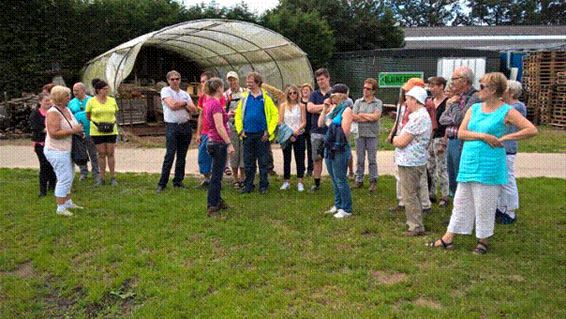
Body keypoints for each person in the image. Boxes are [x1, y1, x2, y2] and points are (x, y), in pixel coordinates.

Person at [428, 72, 537, 254]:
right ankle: (449, 238)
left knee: (485, 203)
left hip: (490, 164)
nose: (479, 89)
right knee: (461, 201)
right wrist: (483, 136)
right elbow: (461, 133)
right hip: (469, 161)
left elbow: (531, 129)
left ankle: (483, 241)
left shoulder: (506, 111)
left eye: (483, 86)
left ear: (493, 90)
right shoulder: (475, 109)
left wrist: (506, 137)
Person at [392, 86, 432, 236]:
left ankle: (415, 225)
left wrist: (395, 139)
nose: (406, 102)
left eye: (408, 99)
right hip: (411, 160)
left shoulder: (419, 117)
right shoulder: (418, 115)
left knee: (410, 194)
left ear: (415, 100)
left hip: (411, 162)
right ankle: (414, 221)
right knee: (411, 193)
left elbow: (401, 141)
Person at [439, 66, 481, 197]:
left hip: (462, 141)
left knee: (460, 175)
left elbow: (460, 120)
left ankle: (465, 209)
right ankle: (457, 210)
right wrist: (454, 108)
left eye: (454, 79)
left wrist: (454, 104)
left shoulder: (474, 97)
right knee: (452, 176)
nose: (451, 82)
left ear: (464, 80)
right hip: (452, 140)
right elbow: (442, 119)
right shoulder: (457, 97)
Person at [234, 71, 279, 194]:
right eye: (247, 81)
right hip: (247, 134)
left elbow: (274, 115)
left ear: (258, 82)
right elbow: (238, 115)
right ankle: (249, 185)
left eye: (250, 81)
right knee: (248, 161)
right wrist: (240, 130)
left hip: (262, 135)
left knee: (263, 161)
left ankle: (264, 185)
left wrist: (269, 132)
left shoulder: (266, 98)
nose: (248, 83)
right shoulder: (244, 97)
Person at [44, 85, 84, 216]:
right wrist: (73, 130)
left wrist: (78, 129)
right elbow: (53, 133)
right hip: (56, 150)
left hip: (67, 148)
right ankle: (60, 207)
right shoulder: (53, 112)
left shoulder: (66, 109)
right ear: (60, 98)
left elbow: (72, 124)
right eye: (67, 96)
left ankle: (68, 202)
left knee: (70, 175)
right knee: (64, 177)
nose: (69, 97)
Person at [156, 70, 197, 192]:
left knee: (182, 156)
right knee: (170, 155)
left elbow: (194, 109)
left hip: (185, 126)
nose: (175, 81)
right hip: (172, 126)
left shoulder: (184, 93)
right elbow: (172, 105)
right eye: (172, 79)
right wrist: (185, 104)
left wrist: (183, 104)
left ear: (180, 80)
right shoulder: (165, 91)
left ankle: (178, 181)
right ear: (168, 81)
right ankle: (162, 183)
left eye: (177, 79)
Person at [496, 80, 528, 224]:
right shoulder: (506, 106)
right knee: (499, 180)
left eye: (505, 89)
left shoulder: (517, 107)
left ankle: (510, 211)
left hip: (508, 148)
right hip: (500, 147)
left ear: (512, 92)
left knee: (508, 180)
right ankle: (501, 207)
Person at [319, 84, 354, 218]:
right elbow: (320, 123)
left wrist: (330, 123)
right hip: (330, 147)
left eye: (332, 95)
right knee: (333, 179)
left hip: (340, 148)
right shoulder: (333, 109)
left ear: (340, 95)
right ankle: (338, 205)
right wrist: (324, 109)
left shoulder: (347, 110)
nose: (331, 97)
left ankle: (346, 208)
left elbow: (344, 132)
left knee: (340, 179)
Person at [204, 77, 235, 216]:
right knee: (216, 176)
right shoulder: (216, 104)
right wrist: (228, 143)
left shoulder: (210, 102)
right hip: (218, 143)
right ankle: (212, 205)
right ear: (219, 88)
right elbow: (219, 126)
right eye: (223, 87)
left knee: (216, 174)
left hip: (212, 141)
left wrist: (227, 115)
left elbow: (218, 119)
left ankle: (217, 199)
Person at [195, 71, 226, 189]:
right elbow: (201, 116)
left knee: (216, 157)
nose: (202, 84)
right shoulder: (202, 98)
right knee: (203, 156)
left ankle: (216, 180)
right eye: (201, 82)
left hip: (214, 132)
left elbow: (221, 116)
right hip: (204, 132)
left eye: (204, 81)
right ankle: (206, 178)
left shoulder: (220, 98)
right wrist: (198, 133)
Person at [86, 79, 119, 186]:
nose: (107, 90)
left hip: (111, 130)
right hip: (97, 130)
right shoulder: (91, 101)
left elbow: (115, 112)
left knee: (110, 153)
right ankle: (101, 177)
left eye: (107, 88)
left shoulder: (112, 100)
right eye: (104, 89)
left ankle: (113, 177)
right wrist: (98, 122)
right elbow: (88, 115)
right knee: (101, 154)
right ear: (99, 90)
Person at [352, 78, 382, 192]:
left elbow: (376, 117)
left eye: (368, 89)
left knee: (372, 159)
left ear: (374, 91)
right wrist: (368, 117)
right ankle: (359, 180)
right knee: (360, 158)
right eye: (364, 88)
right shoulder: (358, 102)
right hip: (359, 134)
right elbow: (354, 116)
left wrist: (362, 115)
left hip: (372, 134)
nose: (365, 90)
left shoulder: (377, 102)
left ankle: (373, 180)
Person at [307, 68, 332, 192]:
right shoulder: (314, 94)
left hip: (331, 131)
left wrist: (319, 109)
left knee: (332, 157)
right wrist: (325, 107)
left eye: (322, 79)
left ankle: (336, 181)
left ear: (328, 78)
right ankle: (316, 183)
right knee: (316, 158)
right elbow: (310, 108)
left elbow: (335, 108)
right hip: (316, 131)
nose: (320, 82)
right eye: (318, 80)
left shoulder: (334, 94)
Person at [426, 77, 449, 207]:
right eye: (430, 86)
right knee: (430, 167)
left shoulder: (447, 102)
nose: (432, 88)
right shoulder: (430, 102)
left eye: (434, 86)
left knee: (442, 168)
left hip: (441, 137)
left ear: (441, 86)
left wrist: (444, 141)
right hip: (430, 137)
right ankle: (431, 192)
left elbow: (448, 123)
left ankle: (445, 195)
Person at [68, 82, 99, 181]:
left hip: (91, 131)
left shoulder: (92, 100)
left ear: (83, 90)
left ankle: (96, 172)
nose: (75, 92)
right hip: (78, 133)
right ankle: (83, 172)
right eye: (74, 90)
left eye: (77, 90)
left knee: (93, 153)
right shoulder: (71, 102)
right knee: (81, 153)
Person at [278, 85, 307, 192]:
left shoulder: (301, 106)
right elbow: (280, 121)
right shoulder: (283, 106)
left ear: (297, 94)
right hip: (287, 134)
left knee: (300, 158)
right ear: (287, 94)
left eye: (294, 92)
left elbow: (304, 121)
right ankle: (286, 181)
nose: (292, 95)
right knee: (287, 158)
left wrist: (296, 131)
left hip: (299, 133)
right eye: (290, 93)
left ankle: (300, 181)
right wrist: (290, 133)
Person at [29, 93, 57, 197]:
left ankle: (53, 186)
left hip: (53, 144)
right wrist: (50, 130)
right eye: (46, 100)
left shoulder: (53, 112)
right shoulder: (35, 114)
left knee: (52, 165)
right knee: (44, 165)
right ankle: (42, 190)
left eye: (50, 100)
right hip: (40, 144)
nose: (48, 102)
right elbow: (36, 128)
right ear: (40, 102)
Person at [223, 71, 245, 189]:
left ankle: (243, 178)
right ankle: (235, 179)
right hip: (231, 126)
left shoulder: (245, 93)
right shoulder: (226, 95)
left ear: (238, 80)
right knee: (234, 153)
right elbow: (222, 111)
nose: (232, 82)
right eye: (230, 80)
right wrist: (229, 114)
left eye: (234, 79)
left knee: (243, 152)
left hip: (243, 126)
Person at [300, 83, 314, 176]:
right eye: (303, 90)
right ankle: (301, 168)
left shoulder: (312, 102)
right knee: (301, 149)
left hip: (311, 127)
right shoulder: (299, 102)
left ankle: (310, 169)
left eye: (307, 90)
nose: (305, 91)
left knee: (310, 149)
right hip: (301, 127)